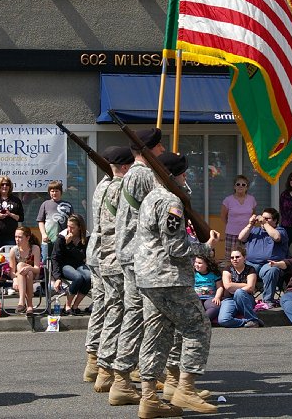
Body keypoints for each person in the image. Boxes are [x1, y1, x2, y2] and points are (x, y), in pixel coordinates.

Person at [135, 151, 220, 416]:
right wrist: (206, 248)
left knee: (156, 334)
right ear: (173, 176)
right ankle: (186, 390)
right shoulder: (171, 202)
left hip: (148, 277)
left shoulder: (150, 197)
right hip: (169, 277)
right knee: (197, 327)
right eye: (183, 173)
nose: (186, 177)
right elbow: (175, 246)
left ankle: (149, 398)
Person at [110, 128, 165, 407]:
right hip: (140, 254)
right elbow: (165, 206)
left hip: (128, 251)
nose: (163, 150)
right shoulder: (143, 175)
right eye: (159, 146)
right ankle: (132, 377)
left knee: (133, 313)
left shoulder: (130, 174)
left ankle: (122, 377)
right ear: (149, 149)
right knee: (146, 317)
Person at [88, 147, 137, 401]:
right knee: (119, 311)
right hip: (114, 257)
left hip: (100, 254)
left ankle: (96, 363)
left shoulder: (103, 186)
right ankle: (108, 368)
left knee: (106, 308)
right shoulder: (118, 188)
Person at [236, 207, 288, 308]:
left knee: (272, 270)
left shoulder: (280, 230)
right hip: (251, 264)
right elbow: (241, 237)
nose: (262, 220)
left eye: (267, 218)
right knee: (238, 266)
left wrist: (265, 223)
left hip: (270, 264)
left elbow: (276, 237)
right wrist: (250, 224)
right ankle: (243, 299)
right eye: (262, 218)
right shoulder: (255, 230)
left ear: (275, 220)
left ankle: (267, 301)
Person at [51, 213, 90, 315]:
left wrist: (70, 245)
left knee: (89, 277)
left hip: (78, 264)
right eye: (68, 226)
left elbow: (82, 256)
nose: (69, 229)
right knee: (78, 277)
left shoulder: (86, 236)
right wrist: (57, 277)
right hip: (64, 265)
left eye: (72, 227)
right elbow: (55, 257)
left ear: (79, 228)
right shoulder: (62, 237)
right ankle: (67, 305)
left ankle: (75, 305)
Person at [217, 245, 262, 328]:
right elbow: (227, 286)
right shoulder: (227, 269)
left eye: (237, 257)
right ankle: (248, 321)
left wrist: (235, 288)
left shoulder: (250, 269)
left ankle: (252, 319)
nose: (234, 259)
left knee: (239, 292)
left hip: (246, 299)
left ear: (244, 257)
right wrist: (245, 285)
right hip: (229, 299)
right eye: (232, 257)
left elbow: (250, 288)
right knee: (223, 320)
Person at [220, 174, 257, 264]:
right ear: (234, 186)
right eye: (238, 184)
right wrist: (232, 226)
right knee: (231, 258)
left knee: (246, 257)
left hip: (247, 234)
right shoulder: (228, 200)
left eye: (243, 185)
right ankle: (229, 276)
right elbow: (223, 216)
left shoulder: (252, 199)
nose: (240, 186)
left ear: (247, 187)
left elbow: (253, 215)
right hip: (232, 234)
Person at [37, 180, 74, 261]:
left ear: (61, 192)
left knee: (61, 260)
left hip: (63, 240)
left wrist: (70, 235)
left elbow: (72, 222)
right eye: (52, 191)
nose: (54, 193)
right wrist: (43, 234)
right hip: (48, 240)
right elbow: (40, 221)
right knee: (45, 261)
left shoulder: (68, 205)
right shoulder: (45, 204)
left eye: (56, 191)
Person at [8, 226, 41, 316]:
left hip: (33, 273)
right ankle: (29, 305)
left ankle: (21, 301)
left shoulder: (35, 248)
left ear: (28, 238)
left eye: (20, 237)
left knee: (23, 267)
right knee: (25, 271)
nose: (17, 239)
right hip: (20, 276)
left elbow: (37, 269)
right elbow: (11, 271)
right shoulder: (13, 250)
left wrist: (29, 268)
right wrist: (15, 279)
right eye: (15, 237)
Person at [193, 254, 223, 323]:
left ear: (207, 265)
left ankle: (202, 321)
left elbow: (220, 287)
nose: (196, 264)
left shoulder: (214, 274)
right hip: (196, 298)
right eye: (196, 262)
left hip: (209, 298)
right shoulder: (193, 274)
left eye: (199, 263)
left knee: (215, 307)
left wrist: (217, 297)